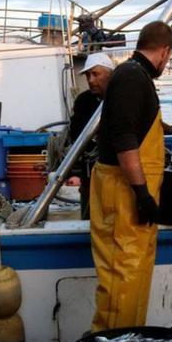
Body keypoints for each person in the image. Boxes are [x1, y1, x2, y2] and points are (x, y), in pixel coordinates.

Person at [89, 21, 172, 332]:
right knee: (121, 274)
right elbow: (125, 139)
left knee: (135, 270)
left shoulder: (135, 77)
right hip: (122, 191)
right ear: (165, 51)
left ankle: (131, 341)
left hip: (131, 193)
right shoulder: (130, 78)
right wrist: (141, 193)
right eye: (169, 57)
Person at [68, 52, 114, 219]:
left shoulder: (120, 98)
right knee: (89, 218)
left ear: (110, 73)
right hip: (90, 174)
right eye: (88, 75)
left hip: (114, 175)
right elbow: (76, 135)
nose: (90, 80)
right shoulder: (83, 101)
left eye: (95, 74)